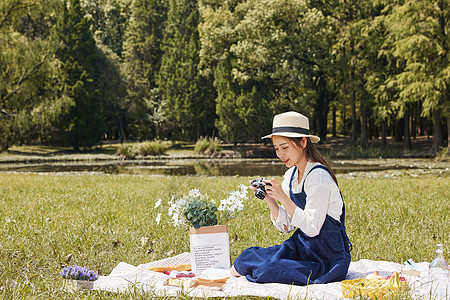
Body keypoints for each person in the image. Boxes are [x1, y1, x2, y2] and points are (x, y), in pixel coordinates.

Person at [230, 111, 351, 285]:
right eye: (277, 148)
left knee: (267, 269)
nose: (280, 154)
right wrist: (270, 198)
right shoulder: (291, 175)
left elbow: (312, 228)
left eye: (285, 147)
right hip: (302, 248)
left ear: (303, 142)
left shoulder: (318, 177)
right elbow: (287, 226)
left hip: (327, 259)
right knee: (247, 256)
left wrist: (284, 198)